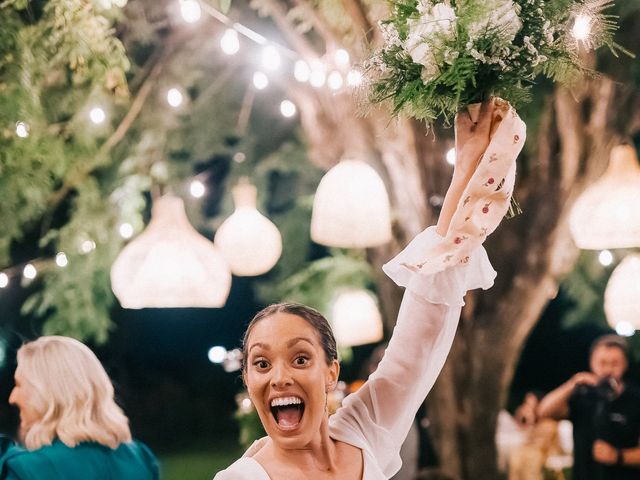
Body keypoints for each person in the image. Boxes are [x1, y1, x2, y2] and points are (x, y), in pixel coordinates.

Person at [214, 98, 516, 479]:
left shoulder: (362, 432)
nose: (280, 377)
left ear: (331, 372)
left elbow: (419, 338)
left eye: (301, 358)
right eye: (260, 363)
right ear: (247, 380)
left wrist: (468, 164)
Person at [0, 336, 159, 480]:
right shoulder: (140, 459)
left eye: (19, 385)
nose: (12, 398)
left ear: (45, 393)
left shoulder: (28, 470)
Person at [537, 334, 640, 480]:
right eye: (602, 363)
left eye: (615, 363)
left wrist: (618, 456)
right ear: (592, 363)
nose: (608, 369)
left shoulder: (636, 398)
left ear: (625, 364)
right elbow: (543, 412)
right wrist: (574, 382)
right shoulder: (582, 396)